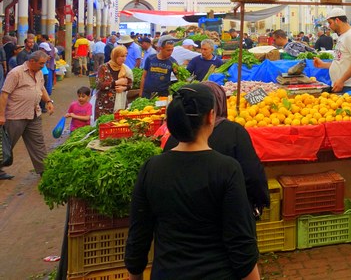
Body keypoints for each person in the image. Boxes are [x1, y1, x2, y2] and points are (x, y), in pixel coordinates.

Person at [125, 84, 260, 280]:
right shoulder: (227, 169)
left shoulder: (151, 168)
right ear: (211, 116)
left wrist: (135, 277)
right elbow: (240, 241)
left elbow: (138, 235)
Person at [165, 83, 270, 217]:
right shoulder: (234, 135)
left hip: (180, 221)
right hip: (227, 219)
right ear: (211, 113)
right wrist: (259, 202)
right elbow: (253, 175)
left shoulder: (170, 142)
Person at [0, 51, 54, 180]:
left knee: (38, 143)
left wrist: (48, 101)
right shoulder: (16, 73)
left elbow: (41, 88)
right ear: (32, 61)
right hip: (15, 115)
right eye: (41, 63)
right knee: (6, 145)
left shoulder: (39, 73)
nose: (43, 66)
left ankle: (44, 170)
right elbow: (4, 94)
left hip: (34, 114)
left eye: (44, 63)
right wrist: (1, 115)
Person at [313, 8, 351, 93]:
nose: (329, 26)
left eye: (330, 23)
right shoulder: (343, 36)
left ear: (337, 20)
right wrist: (323, 65)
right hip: (341, 85)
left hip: (348, 87)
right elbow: (341, 61)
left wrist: (342, 80)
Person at [95, 45, 134, 119]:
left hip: (120, 106)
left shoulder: (126, 69)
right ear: (115, 56)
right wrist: (115, 83)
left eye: (125, 56)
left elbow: (130, 84)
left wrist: (124, 88)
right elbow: (99, 85)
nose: (124, 59)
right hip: (104, 106)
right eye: (121, 56)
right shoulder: (103, 68)